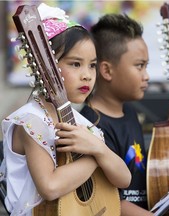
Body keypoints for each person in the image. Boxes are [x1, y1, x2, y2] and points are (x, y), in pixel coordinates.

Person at [0, 3, 131, 216]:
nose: (87, 75)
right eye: (75, 64)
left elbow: (124, 179)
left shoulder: (83, 125)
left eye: (92, 65)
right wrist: (94, 158)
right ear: (45, 68)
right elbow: (50, 187)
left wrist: (99, 149)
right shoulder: (32, 122)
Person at [80, 14, 169, 216]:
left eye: (146, 66)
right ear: (107, 71)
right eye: (139, 65)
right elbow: (111, 201)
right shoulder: (91, 124)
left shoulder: (130, 113)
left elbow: (144, 171)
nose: (147, 76)